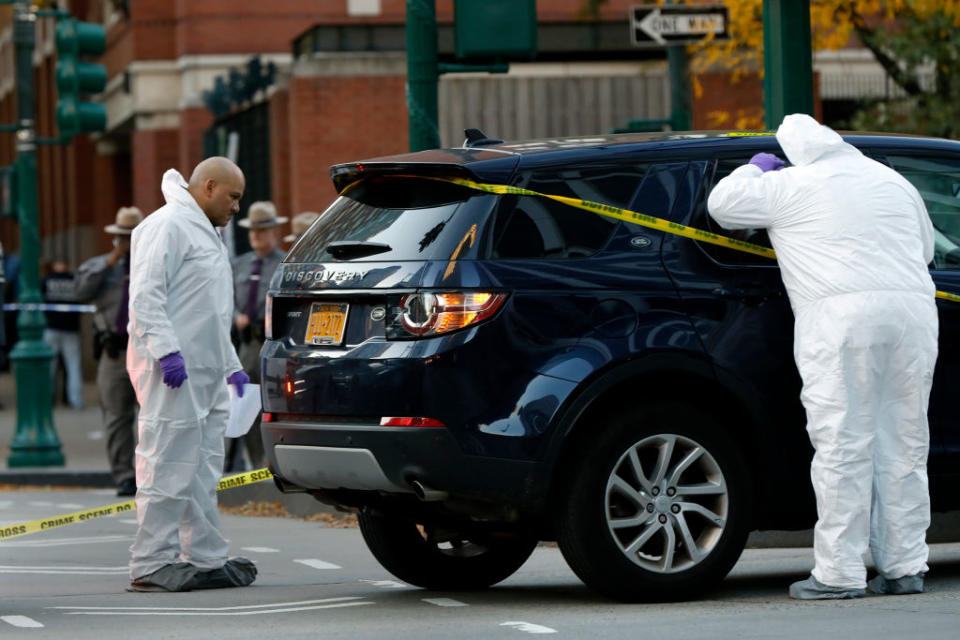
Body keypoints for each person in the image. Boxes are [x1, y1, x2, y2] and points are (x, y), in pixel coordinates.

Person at [707, 114, 938, 599]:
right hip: (913, 318)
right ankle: (905, 567)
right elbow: (926, 250)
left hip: (842, 323)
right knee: (905, 442)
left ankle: (838, 574)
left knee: (842, 444)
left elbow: (721, 205)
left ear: (793, 154)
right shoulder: (893, 182)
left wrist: (754, 168)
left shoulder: (790, 184)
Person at [126, 157, 256, 592]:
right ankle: (151, 562)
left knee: (201, 469)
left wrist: (232, 367)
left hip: (204, 372)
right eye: (233, 197)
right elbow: (145, 296)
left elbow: (211, 312)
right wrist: (166, 353)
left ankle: (204, 556)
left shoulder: (204, 233)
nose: (237, 207)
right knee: (166, 462)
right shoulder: (168, 226)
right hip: (174, 373)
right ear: (209, 187)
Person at [75, 208, 144, 496]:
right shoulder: (101, 266)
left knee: (151, 418)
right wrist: (111, 262)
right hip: (113, 353)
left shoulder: (150, 265)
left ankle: (148, 474)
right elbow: (80, 291)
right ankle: (124, 476)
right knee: (116, 418)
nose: (126, 243)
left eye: (131, 238)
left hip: (144, 352)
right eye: (122, 238)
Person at [224, 201, 287, 471]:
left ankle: (272, 466)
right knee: (245, 406)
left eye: (262, 230)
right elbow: (225, 298)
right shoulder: (239, 265)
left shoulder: (284, 264)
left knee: (274, 408)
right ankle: (255, 467)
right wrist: (235, 314)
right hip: (248, 345)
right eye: (252, 231)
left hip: (273, 344)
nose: (255, 236)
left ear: (274, 231)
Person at [42, 258, 84, 409]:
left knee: (49, 367)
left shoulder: (47, 280)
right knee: (73, 366)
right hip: (71, 328)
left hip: (51, 327)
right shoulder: (74, 280)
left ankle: (47, 399)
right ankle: (76, 400)